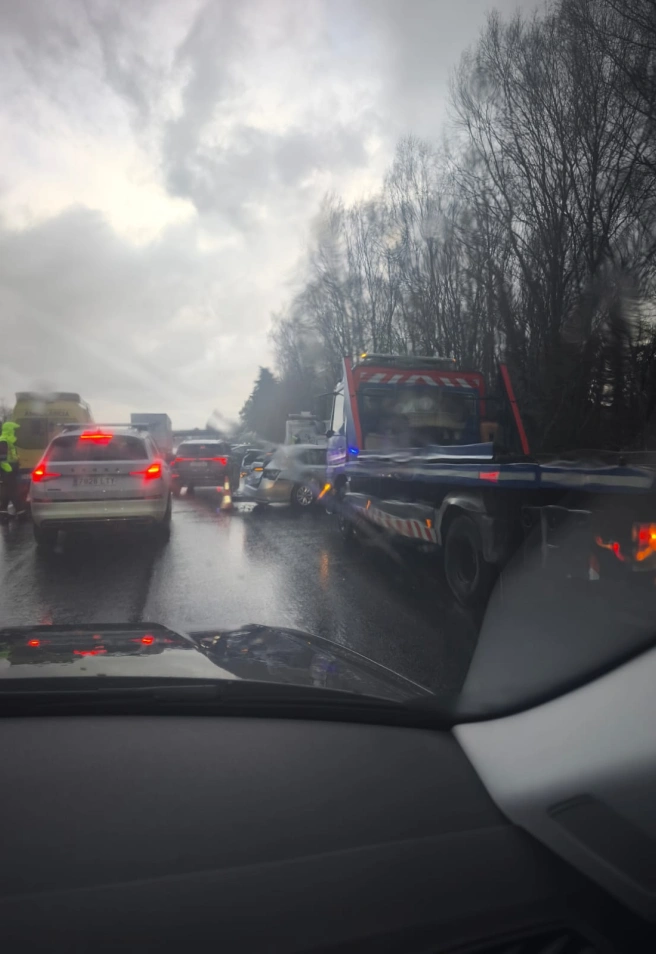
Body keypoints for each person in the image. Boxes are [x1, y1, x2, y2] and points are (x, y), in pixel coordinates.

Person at [0, 421, 24, 518]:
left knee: (8, 490)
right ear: (10, 430)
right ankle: (19, 510)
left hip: (11, 470)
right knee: (12, 490)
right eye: (14, 430)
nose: (16, 432)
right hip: (7, 471)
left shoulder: (9, 441)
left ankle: (4, 511)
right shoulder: (4, 441)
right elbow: (2, 458)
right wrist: (9, 469)